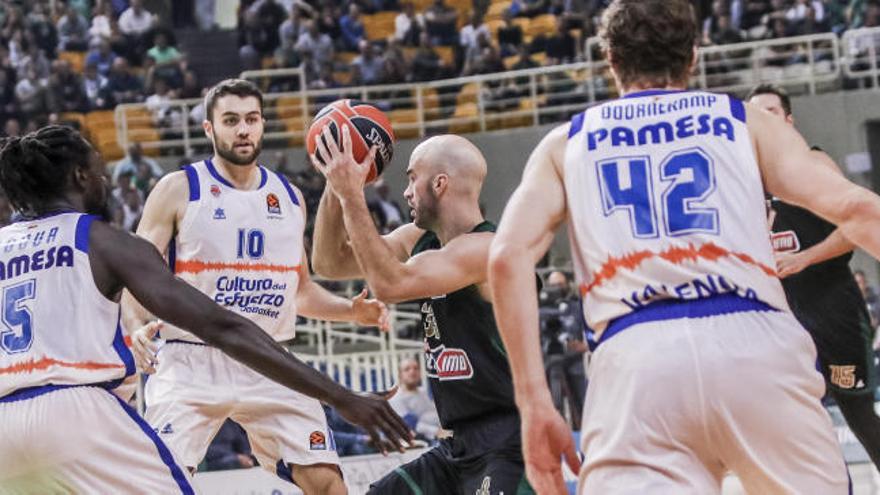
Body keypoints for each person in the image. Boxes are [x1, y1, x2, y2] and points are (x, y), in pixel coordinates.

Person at [487, 1, 880, 493]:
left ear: (608, 59)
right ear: (693, 56)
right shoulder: (746, 122)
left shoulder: (567, 143)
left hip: (635, 360)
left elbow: (506, 258)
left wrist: (532, 402)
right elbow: (860, 211)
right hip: (755, 342)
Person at [0, 125, 410, 492]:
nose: (106, 179)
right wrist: (340, 396)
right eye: (99, 169)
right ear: (80, 176)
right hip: (78, 412)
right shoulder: (105, 241)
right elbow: (222, 328)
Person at [123, 79, 408, 495]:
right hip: (189, 361)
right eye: (231, 120)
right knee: (156, 486)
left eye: (252, 120)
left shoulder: (290, 198)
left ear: (262, 125)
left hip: (270, 361)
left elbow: (299, 291)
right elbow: (137, 275)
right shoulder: (178, 189)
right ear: (209, 129)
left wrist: (351, 310)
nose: (243, 130)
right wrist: (135, 326)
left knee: (330, 486)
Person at [311, 130, 533, 494]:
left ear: (440, 183)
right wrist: (336, 184)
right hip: (455, 445)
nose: (406, 191)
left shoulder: (489, 249)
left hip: (509, 441)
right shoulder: (419, 241)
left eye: (413, 178)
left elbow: (390, 285)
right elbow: (329, 262)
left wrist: (352, 194)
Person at [748, 83, 880, 470]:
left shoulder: (814, 163)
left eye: (769, 111)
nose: (761, 120)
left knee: (856, 411)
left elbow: (854, 229)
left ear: (788, 120)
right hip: (780, 315)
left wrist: (806, 258)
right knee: (781, 417)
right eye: (754, 114)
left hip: (831, 303)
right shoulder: (747, 179)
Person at [388, 357, 441, 441]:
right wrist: (437, 432)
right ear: (400, 374)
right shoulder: (396, 397)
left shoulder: (423, 391)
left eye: (416, 368)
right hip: (419, 441)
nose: (412, 371)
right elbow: (411, 424)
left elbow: (432, 414)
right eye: (407, 369)